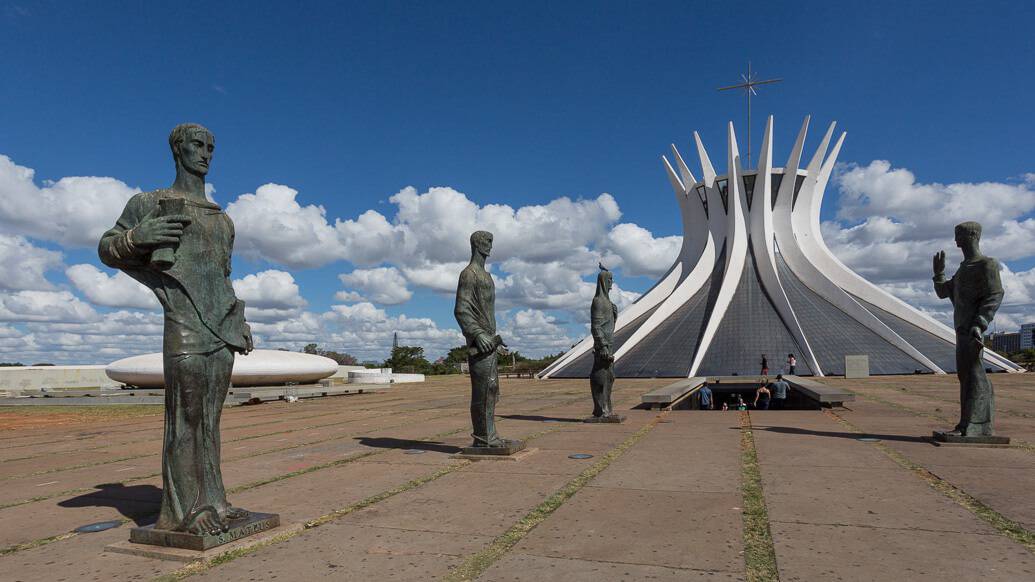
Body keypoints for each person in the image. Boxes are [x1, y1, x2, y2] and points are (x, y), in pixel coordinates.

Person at [99, 124, 254, 536]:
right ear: (177, 149)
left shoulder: (222, 219)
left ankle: (215, 501)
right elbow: (107, 247)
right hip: (184, 323)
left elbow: (222, 276)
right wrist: (137, 237)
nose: (205, 154)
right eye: (197, 146)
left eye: (210, 147)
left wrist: (240, 321)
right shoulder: (150, 203)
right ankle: (186, 511)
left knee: (209, 422)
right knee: (185, 420)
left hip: (222, 327)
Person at [933, 221, 1005, 437]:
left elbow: (995, 295)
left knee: (974, 374)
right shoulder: (963, 269)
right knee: (966, 375)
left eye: (959, 235)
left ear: (973, 235)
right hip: (961, 329)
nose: (956, 241)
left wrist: (980, 323)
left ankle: (976, 425)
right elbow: (943, 292)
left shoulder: (987, 264)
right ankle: (967, 424)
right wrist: (939, 274)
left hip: (972, 329)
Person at [455, 230, 515, 449]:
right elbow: (461, 310)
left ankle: (490, 434)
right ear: (476, 244)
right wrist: (478, 334)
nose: (491, 246)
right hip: (480, 344)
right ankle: (482, 438)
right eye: (487, 241)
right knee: (482, 390)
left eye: (492, 241)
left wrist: (492, 338)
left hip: (490, 342)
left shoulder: (487, 276)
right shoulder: (469, 274)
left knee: (491, 390)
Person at [588, 265, 618, 419]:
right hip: (603, 348)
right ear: (604, 281)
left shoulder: (608, 302)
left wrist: (615, 312)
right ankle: (600, 410)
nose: (612, 282)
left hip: (609, 345)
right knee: (601, 377)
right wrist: (602, 346)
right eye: (610, 279)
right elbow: (596, 326)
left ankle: (607, 408)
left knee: (610, 377)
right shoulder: (598, 301)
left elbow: (609, 324)